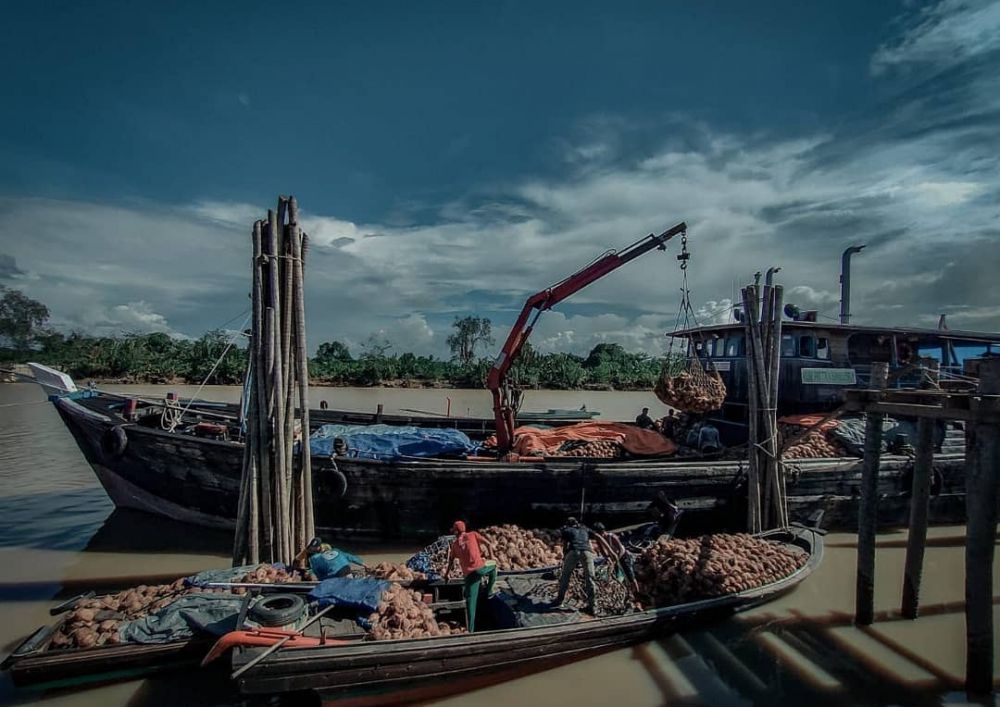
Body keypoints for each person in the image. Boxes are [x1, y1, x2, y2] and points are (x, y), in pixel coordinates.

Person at [444, 520, 497, 633]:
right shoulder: (473, 534)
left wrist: (446, 574)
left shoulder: (454, 545)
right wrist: (492, 557)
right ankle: (489, 590)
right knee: (494, 566)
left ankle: (471, 631)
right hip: (480, 569)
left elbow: (450, 561)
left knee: (471, 604)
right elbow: (488, 544)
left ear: (456, 532)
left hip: (469, 575)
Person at [552, 517, 611, 615]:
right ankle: (593, 607)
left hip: (574, 551)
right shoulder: (585, 529)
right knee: (590, 579)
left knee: (565, 576)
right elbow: (598, 536)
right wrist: (609, 552)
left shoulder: (567, 530)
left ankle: (559, 600)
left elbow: (565, 545)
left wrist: (565, 557)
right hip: (587, 553)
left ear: (568, 524)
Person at [593, 522, 639, 595]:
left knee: (630, 575)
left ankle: (637, 593)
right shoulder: (599, 539)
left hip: (623, 556)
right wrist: (608, 558)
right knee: (617, 575)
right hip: (614, 558)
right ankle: (626, 592)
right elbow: (602, 550)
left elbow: (621, 549)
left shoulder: (611, 536)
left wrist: (617, 559)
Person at [294, 537, 366, 580]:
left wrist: (363, 564)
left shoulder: (326, 548)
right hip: (313, 564)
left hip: (326, 565)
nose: (313, 549)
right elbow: (297, 559)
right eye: (312, 547)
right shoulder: (308, 550)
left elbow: (331, 561)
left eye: (315, 548)